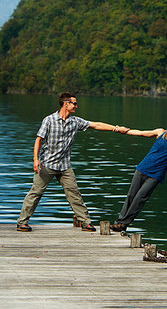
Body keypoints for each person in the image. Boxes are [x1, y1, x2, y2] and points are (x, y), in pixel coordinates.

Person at [17, 92, 128, 232]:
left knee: (74, 193)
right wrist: (35, 159)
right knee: (36, 192)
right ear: (66, 104)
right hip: (46, 164)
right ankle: (22, 222)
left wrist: (116, 129)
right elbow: (38, 139)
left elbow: (95, 125)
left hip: (64, 166)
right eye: (74, 103)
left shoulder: (75, 122)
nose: (76, 105)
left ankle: (85, 222)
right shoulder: (49, 120)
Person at [110, 114, 167, 232]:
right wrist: (123, 130)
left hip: (156, 175)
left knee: (140, 198)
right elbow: (140, 133)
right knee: (131, 196)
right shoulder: (160, 133)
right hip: (142, 168)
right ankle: (119, 222)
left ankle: (123, 223)